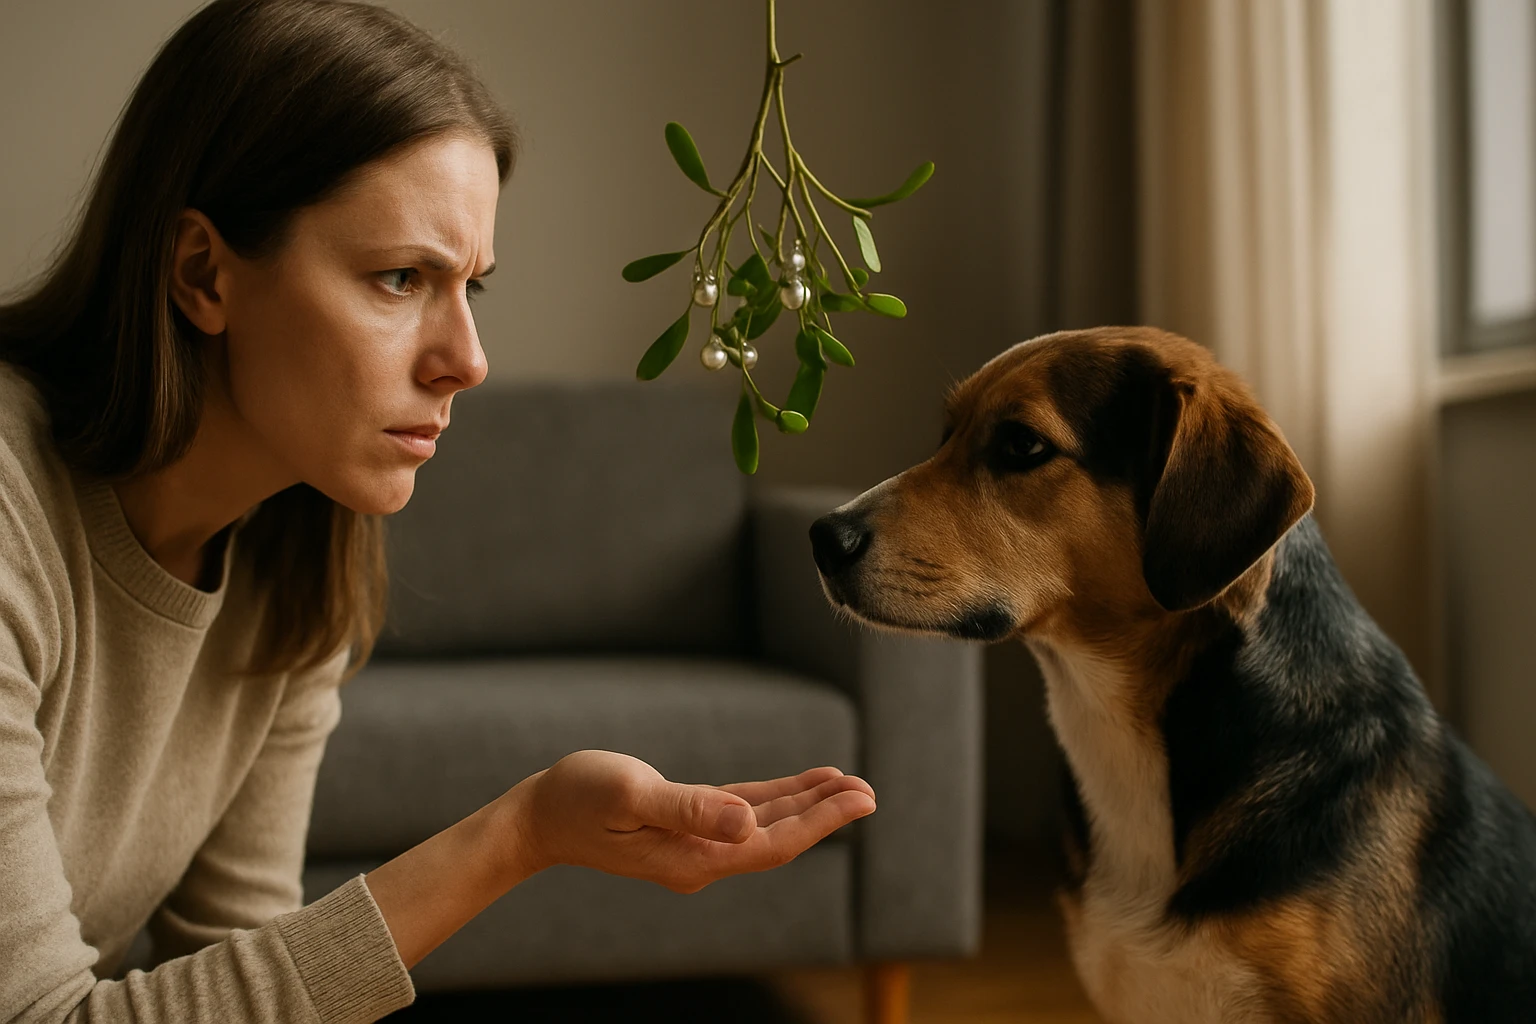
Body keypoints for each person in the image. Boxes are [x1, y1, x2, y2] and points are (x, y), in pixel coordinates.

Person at [0, 1, 877, 1020]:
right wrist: (518, 834)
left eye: (472, 287)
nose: (466, 359)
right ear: (203, 272)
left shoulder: (298, 556)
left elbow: (236, 970)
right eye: (401, 277)